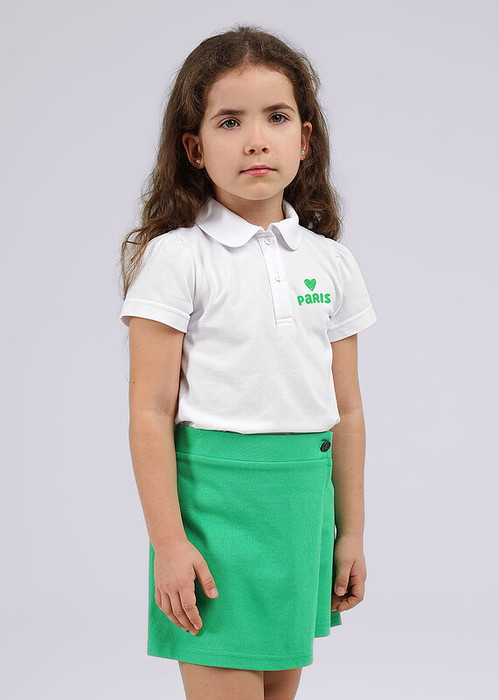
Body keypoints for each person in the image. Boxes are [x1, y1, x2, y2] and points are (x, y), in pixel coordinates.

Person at [118, 23, 377, 700]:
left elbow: (347, 411)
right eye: (230, 121)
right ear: (194, 148)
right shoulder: (177, 258)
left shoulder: (332, 262)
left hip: (301, 509)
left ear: (305, 139)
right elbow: (149, 412)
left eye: (276, 117)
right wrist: (169, 543)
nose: (256, 139)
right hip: (213, 514)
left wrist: (349, 533)